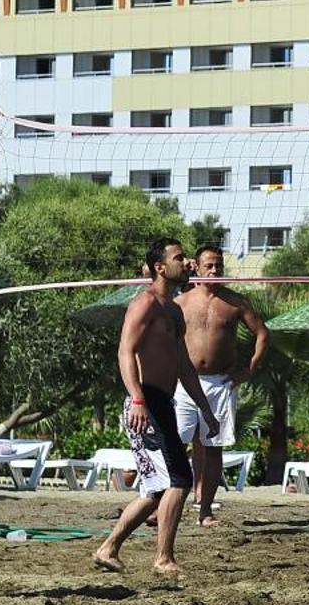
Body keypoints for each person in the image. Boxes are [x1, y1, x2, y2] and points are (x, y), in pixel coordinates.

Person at [94, 240, 219, 576]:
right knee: (180, 478)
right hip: (145, 401)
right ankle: (163, 558)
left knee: (156, 489)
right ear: (160, 267)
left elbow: (184, 366)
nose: (188, 262)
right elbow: (125, 352)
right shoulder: (144, 303)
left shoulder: (174, 310)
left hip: (164, 400)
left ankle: (109, 548)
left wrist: (205, 409)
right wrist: (137, 399)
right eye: (179, 258)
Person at [177, 243, 269, 526]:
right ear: (197, 267)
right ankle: (165, 507)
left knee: (213, 447)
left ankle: (205, 511)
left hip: (220, 383)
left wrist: (248, 371)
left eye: (219, 265)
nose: (215, 270)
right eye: (210, 265)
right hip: (185, 384)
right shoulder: (180, 302)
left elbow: (263, 335)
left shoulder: (235, 302)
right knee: (175, 445)